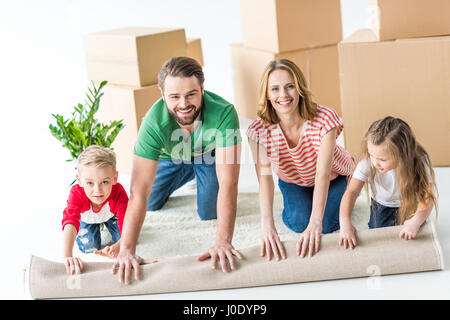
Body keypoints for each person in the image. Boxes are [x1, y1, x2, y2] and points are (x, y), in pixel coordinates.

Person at [112, 57, 243, 284]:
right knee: (150, 202)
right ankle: (188, 171)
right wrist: (126, 248)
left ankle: (197, 171)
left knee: (209, 212)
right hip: (169, 156)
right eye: (174, 97)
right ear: (163, 95)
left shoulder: (225, 113)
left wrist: (223, 241)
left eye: (191, 94)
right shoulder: (153, 122)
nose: (183, 104)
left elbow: (229, 182)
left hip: (208, 155)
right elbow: (138, 191)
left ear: (202, 89)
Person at [247, 59, 355, 260]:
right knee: (298, 222)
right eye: (275, 89)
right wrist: (266, 223)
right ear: (267, 95)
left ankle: (347, 193)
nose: (283, 95)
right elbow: (265, 179)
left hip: (334, 176)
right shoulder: (258, 131)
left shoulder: (324, 119)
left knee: (324, 223)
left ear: (300, 89)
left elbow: (322, 174)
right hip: (294, 179)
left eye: (290, 87)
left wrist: (315, 221)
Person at [339, 116, 438, 249]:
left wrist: (416, 220)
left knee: (413, 236)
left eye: (382, 159)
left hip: (410, 203)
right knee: (379, 240)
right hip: (382, 204)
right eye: (371, 154)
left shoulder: (420, 161)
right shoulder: (368, 163)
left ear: (402, 154)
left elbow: (427, 196)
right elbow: (351, 192)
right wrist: (344, 222)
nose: (375, 162)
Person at [61, 145, 129, 274]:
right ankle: (96, 229)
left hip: (111, 216)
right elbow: (69, 221)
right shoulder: (76, 194)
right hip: (87, 220)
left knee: (128, 238)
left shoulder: (118, 192)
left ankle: (108, 227)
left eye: (104, 182)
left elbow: (127, 222)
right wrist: (67, 256)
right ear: (80, 181)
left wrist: (119, 246)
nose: (97, 190)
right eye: (90, 183)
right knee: (89, 247)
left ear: (114, 178)